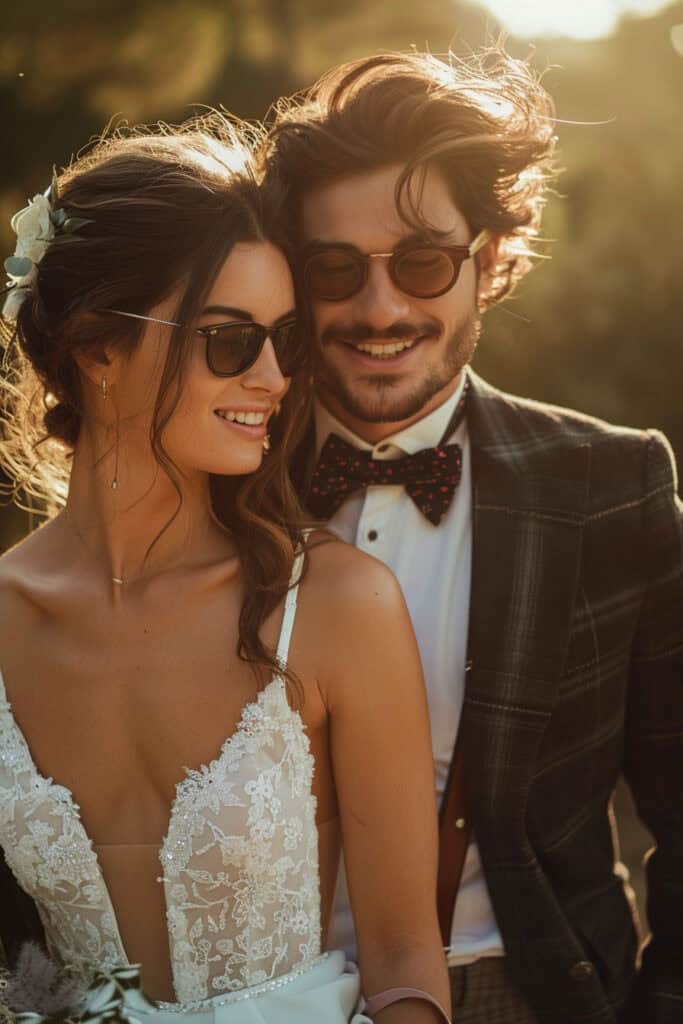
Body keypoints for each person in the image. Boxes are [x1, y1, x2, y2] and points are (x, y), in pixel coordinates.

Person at [261, 49, 683, 1024]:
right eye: (334, 268)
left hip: (531, 990)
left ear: (488, 260)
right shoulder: (217, 486)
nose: (379, 309)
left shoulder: (611, 486)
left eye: (422, 262)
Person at [0, 117, 451, 1023]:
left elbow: (405, 959)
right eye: (230, 340)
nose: (276, 378)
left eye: (282, 340)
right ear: (96, 348)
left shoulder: (333, 605)